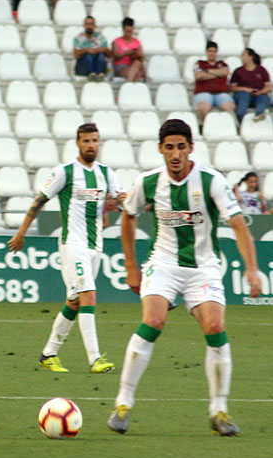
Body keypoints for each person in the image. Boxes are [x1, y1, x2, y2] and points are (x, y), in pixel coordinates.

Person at [107, 118, 261, 436]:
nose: (175, 154)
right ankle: (123, 403)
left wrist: (251, 268)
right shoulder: (148, 182)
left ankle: (219, 410)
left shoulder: (211, 181)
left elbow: (238, 225)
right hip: (162, 264)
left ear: (191, 148)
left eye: (181, 147)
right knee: (154, 321)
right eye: (169, 147)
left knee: (215, 327)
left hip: (202, 267)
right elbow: (128, 216)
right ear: (160, 150)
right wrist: (131, 266)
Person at [8, 123, 123, 374]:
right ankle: (95, 359)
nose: (91, 145)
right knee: (88, 296)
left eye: (95, 140)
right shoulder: (65, 172)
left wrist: (119, 205)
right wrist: (21, 233)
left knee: (74, 302)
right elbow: (39, 201)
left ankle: (49, 354)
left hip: (96, 247)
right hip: (73, 245)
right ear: (77, 143)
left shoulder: (106, 173)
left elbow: (119, 200)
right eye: (86, 141)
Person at [193, 41, 235, 126]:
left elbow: (225, 72)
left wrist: (207, 71)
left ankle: (230, 126)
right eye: (210, 51)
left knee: (229, 107)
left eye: (214, 51)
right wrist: (218, 75)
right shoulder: (199, 63)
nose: (212, 53)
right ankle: (204, 126)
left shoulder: (222, 64)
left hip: (221, 93)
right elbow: (199, 76)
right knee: (203, 108)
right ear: (206, 52)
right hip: (203, 92)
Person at [230, 48, 271, 123]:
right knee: (244, 96)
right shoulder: (238, 71)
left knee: (263, 98)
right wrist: (245, 89)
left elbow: (268, 86)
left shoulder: (261, 70)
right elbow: (232, 87)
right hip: (243, 93)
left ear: (250, 57)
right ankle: (240, 117)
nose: (241, 58)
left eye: (243, 55)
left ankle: (259, 114)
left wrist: (261, 92)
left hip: (258, 94)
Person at [73, 16, 110, 81]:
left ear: (95, 26)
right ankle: (90, 74)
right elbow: (76, 55)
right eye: (87, 24)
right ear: (84, 25)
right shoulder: (79, 38)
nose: (89, 26)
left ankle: (100, 75)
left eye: (91, 24)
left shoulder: (100, 37)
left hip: (98, 64)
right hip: (83, 67)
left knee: (101, 55)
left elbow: (110, 54)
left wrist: (100, 50)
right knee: (88, 55)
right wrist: (86, 50)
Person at [112, 17, 144, 82]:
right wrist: (125, 53)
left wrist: (135, 54)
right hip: (121, 66)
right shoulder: (117, 41)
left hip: (133, 64)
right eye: (127, 32)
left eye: (130, 32)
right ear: (123, 30)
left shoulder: (137, 42)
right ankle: (130, 84)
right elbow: (115, 56)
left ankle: (128, 84)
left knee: (137, 63)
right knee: (138, 74)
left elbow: (142, 57)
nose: (128, 34)